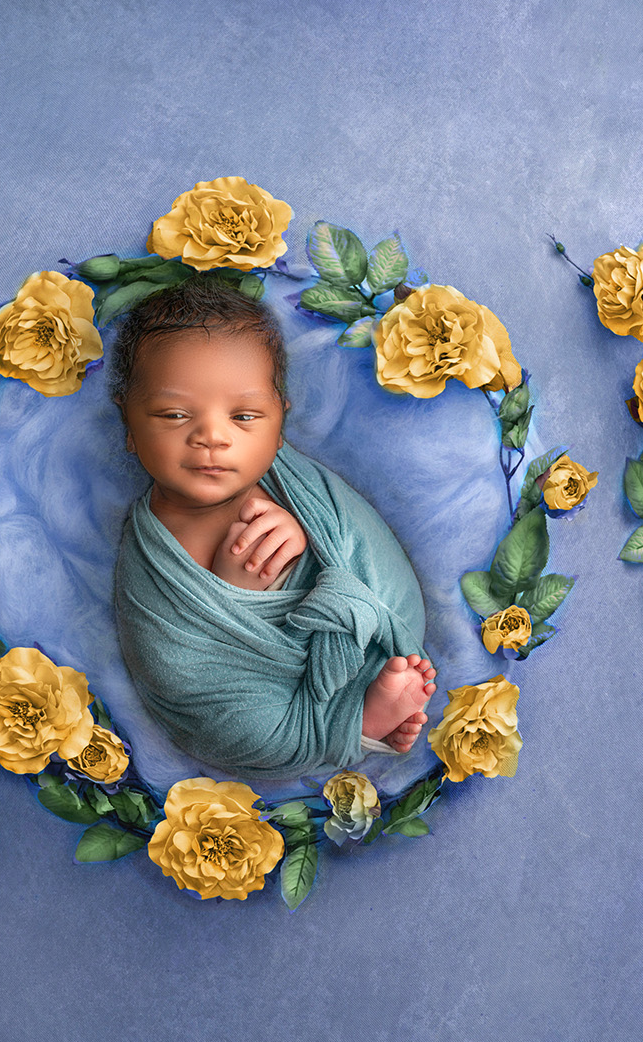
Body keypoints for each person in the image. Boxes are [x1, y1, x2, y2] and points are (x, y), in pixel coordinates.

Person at [110, 277, 435, 779]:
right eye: (175, 413)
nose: (212, 437)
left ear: (279, 425)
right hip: (249, 697)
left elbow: (354, 541)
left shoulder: (296, 485)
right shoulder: (149, 560)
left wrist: (309, 539)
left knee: (385, 605)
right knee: (243, 732)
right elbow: (176, 667)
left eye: (243, 416)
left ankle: (357, 708)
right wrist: (236, 595)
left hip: (353, 635)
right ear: (129, 427)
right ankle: (353, 722)